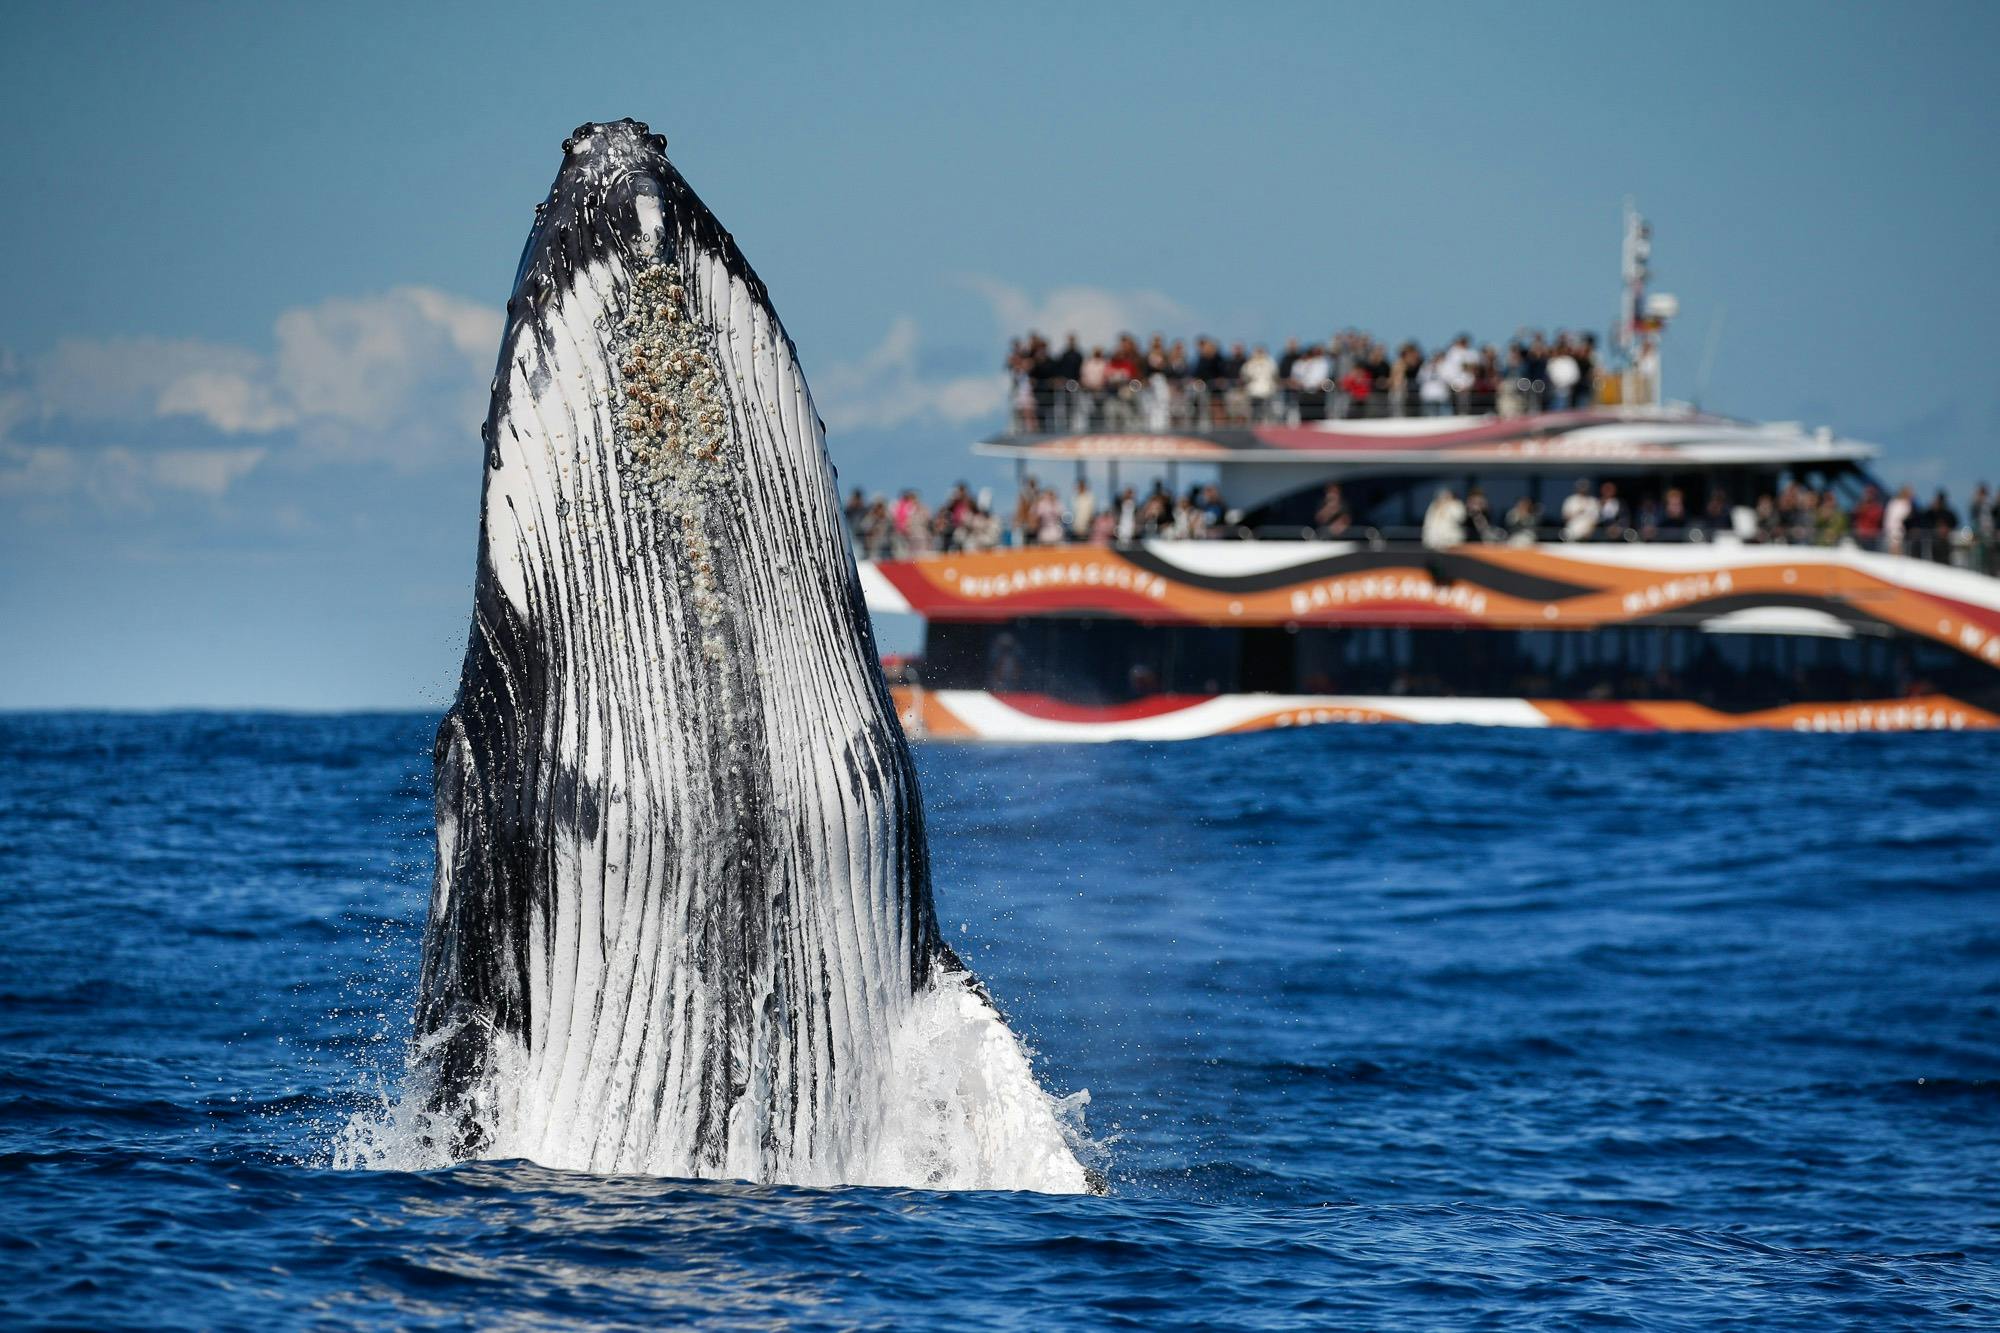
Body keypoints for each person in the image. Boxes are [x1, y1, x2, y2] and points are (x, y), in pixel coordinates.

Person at [1241, 345, 1279, 421]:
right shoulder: (1250, 363)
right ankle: (1255, 422)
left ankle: (1268, 423)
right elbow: (1245, 375)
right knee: (1254, 410)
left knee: (1268, 409)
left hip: (1268, 391)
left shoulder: (1270, 362)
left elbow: (1275, 375)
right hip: (1253, 391)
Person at [1560, 478, 1600, 542]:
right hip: (1572, 534)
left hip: (1587, 536)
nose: (1583, 489)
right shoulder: (1570, 500)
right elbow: (1565, 517)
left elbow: (1595, 520)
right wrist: (1577, 512)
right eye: (1581, 486)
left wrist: (1590, 532)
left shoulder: (1593, 501)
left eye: (1585, 486)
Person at [1884, 484, 1914, 555]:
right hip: (1895, 528)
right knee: (1895, 546)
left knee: (1895, 546)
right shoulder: (1904, 504)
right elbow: (1903, 516)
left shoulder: (1893, 502)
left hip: (1891, 527)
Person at [1070, 477, 1096, 541]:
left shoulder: (1090, 497)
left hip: (1087, 528)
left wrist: (1089, 525)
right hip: (1076, 528)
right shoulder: (1074, 497)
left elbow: (1092, 512)